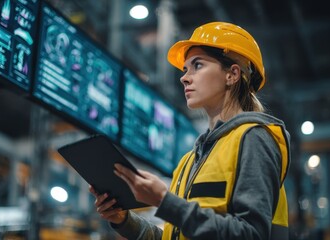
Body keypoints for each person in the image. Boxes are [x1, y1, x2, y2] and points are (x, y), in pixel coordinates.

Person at [90, 22, 291, 240]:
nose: (184, 77)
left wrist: (164, 201)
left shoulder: (254, 138)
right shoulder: (188, 162)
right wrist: (124, 220)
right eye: (186, 69)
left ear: (232, 74)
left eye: (198, 65)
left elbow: (250, 234)